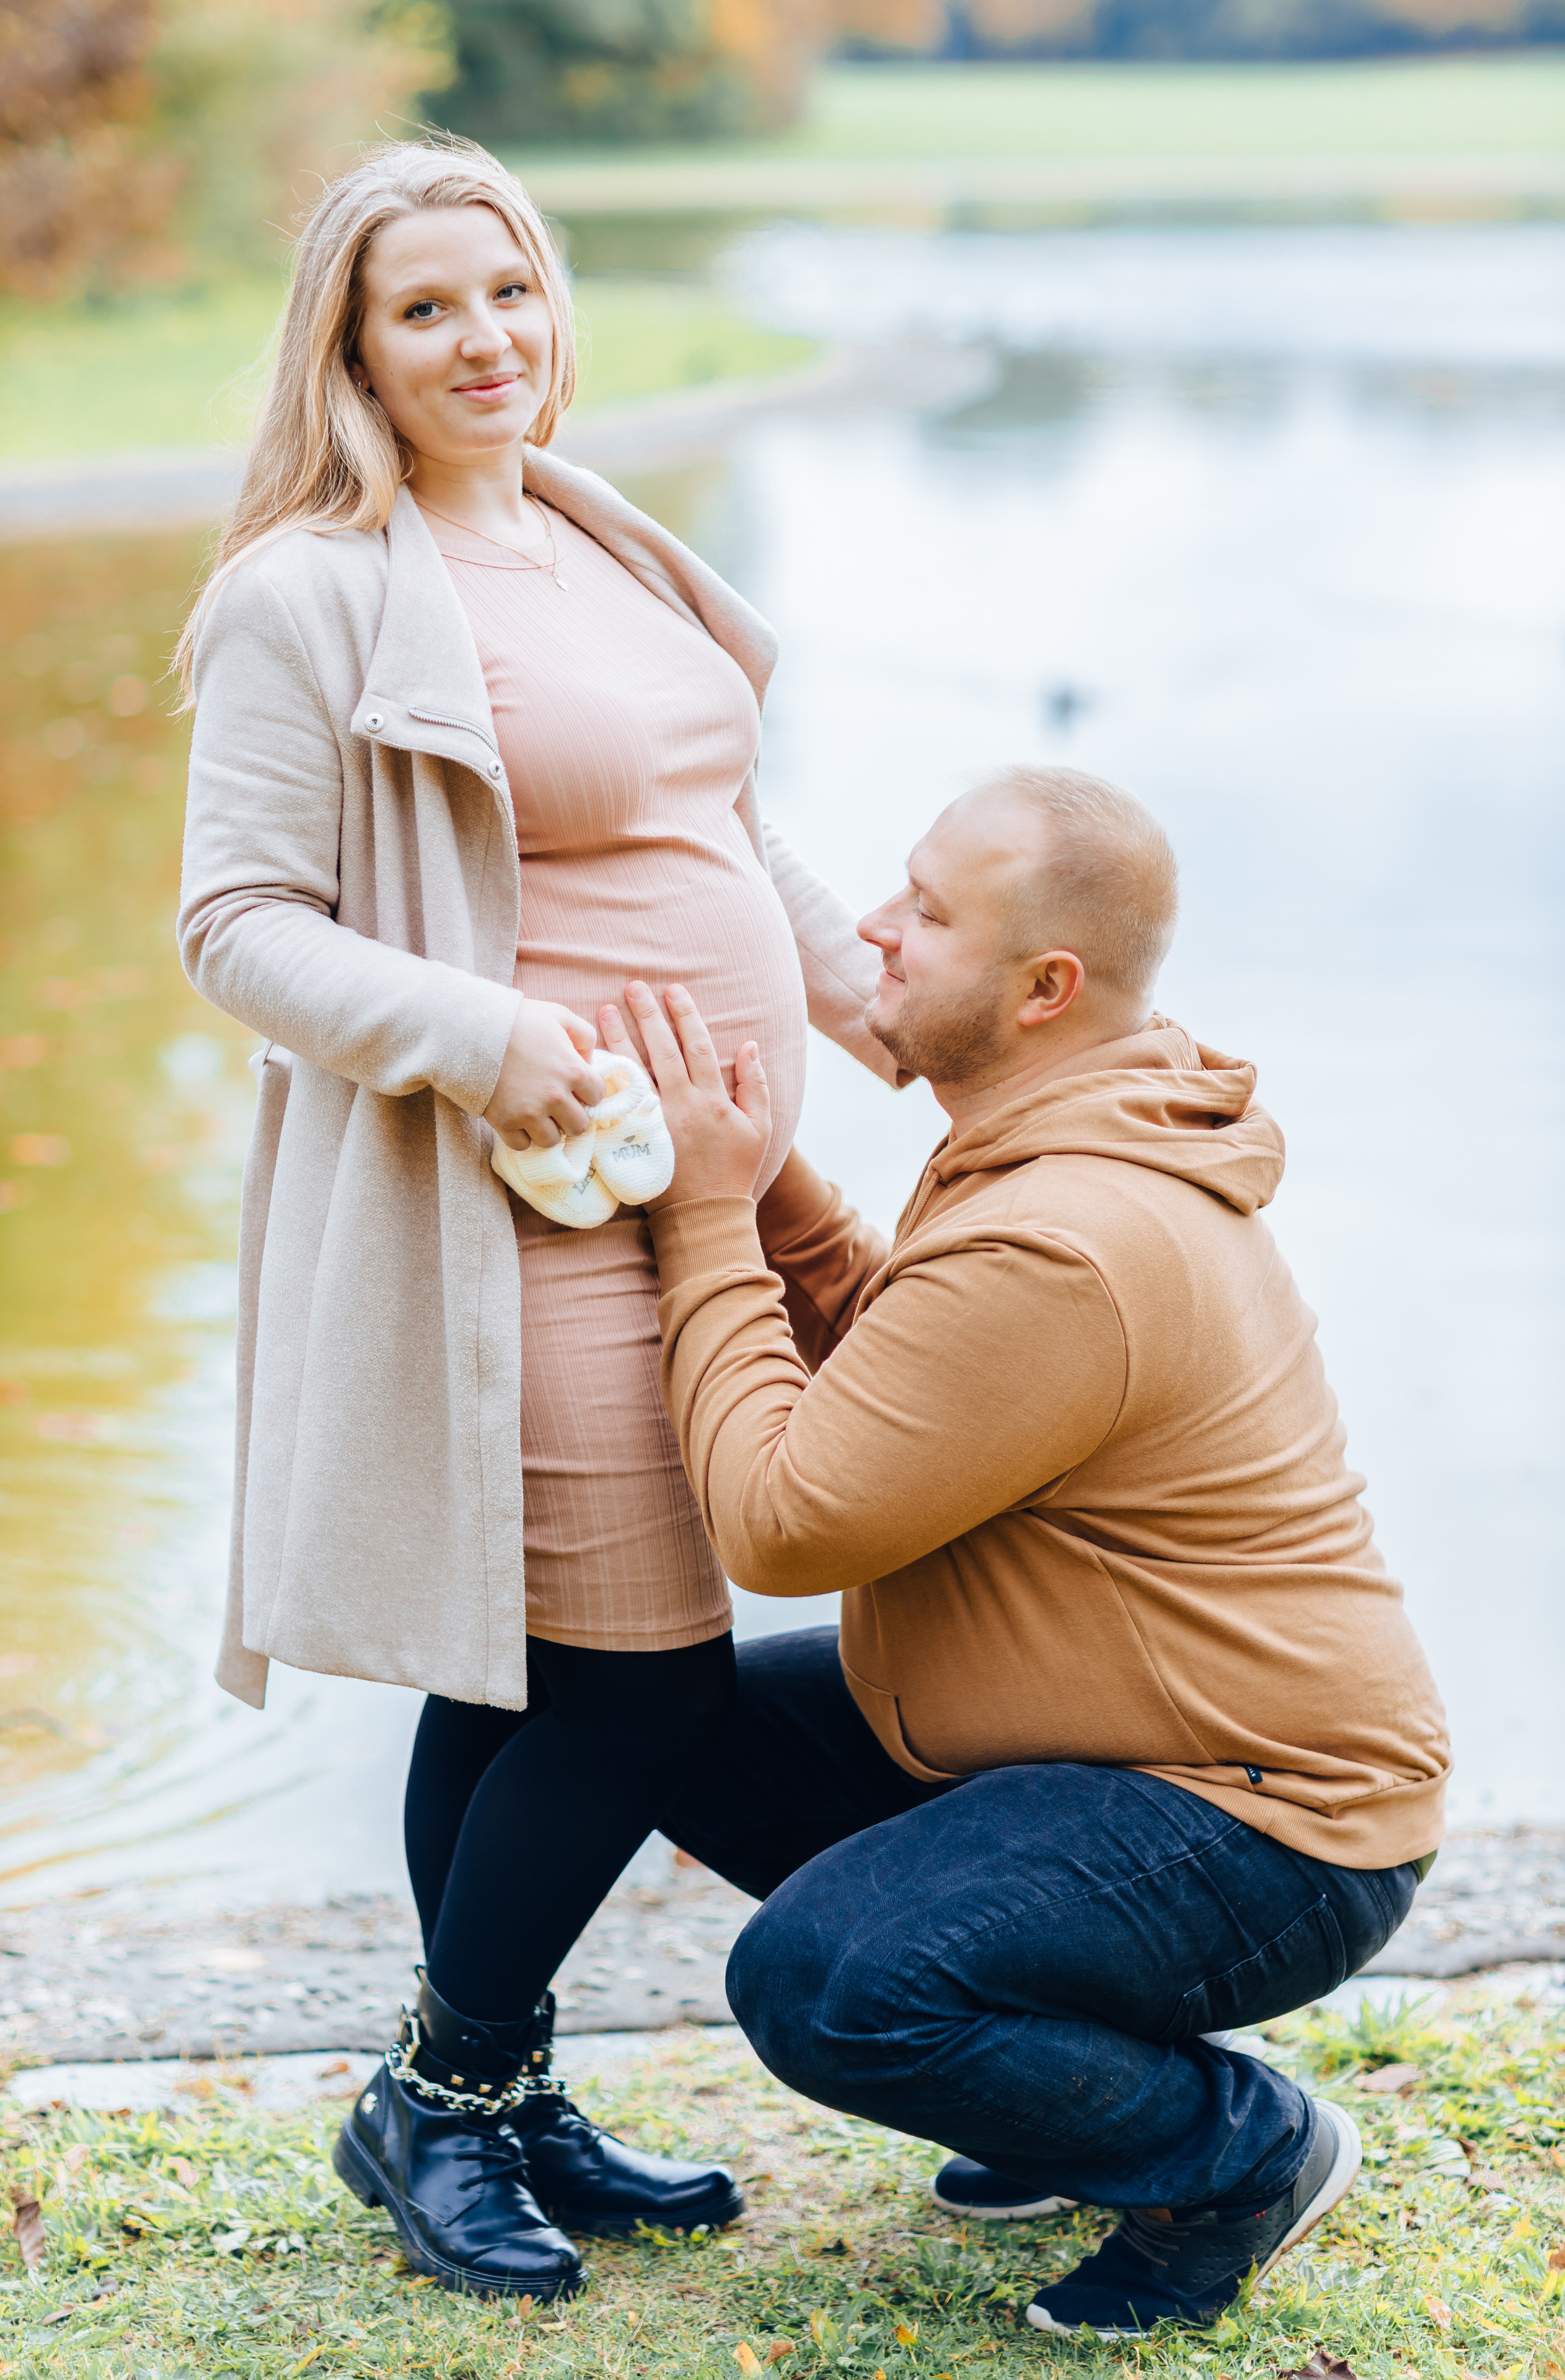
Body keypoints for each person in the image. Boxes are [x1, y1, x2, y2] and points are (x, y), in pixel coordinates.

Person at [175, 134, 902, 2301]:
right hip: (527, 1210)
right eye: (426, 309)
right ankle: (445, 2093)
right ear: (354, 352)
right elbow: (234, 927)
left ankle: (493, 2090)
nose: (483, 339)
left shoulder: (597, 531)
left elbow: (717, 822)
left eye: (510, 291)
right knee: (644, 1677)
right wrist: (484, 1036)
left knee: (516, 1677)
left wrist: (875, 1004)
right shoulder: (312, 590)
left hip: (722, 1183)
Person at [601, 763, 1451, 2342]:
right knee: (663, 1720)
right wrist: (769, 1179)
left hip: (1266, 1815)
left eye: (925, 913)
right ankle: (1054, 2093)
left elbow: (786, 1522)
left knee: (829, 1981)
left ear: (1044, 987)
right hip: (1109, 1748)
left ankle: (1227, 2156)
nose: (869, 928)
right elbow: (915, 1371)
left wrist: (704, 1223)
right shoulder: (1052, 1139)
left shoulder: (1068, 1230)